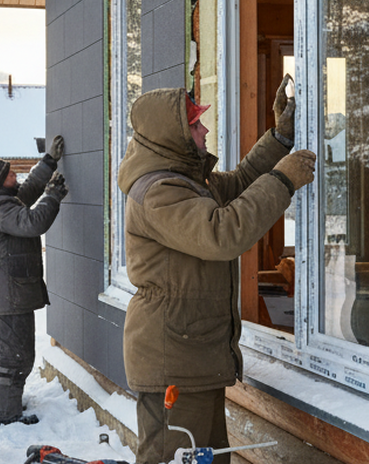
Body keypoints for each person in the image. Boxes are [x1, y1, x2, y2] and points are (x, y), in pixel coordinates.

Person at [118, 82, 316, 464]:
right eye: (195, 126)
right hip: (173, 360)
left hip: (193, 354)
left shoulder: (185, 181)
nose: (205, 130)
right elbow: (222, 234)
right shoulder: (158, 191)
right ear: (171, 135)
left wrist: (279, 139)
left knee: (207, 460)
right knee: (175, 461)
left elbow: (241, 183)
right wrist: (285, 179)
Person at [0, 135, 68, 426]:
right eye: (10, 174)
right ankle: (5, 414)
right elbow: (33, 222)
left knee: (4, 352)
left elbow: (28, 190)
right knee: (16, 356)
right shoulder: (0, 209)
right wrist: (53, 196)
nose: (16, 176)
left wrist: (49, 162)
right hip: (10, 292)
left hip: (5, 290)